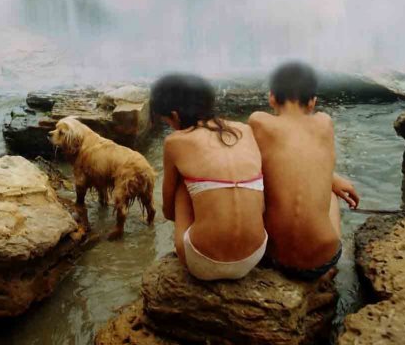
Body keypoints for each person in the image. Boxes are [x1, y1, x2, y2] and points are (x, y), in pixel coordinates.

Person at [248, 61, 360, 281]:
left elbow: (269, 164)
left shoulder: (258, 122)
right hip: (321, 262)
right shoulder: (324, 123)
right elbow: (314, 162)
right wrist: (332, 180)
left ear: (272, 98)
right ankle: (330, 270)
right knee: (329, 194)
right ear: (312, 102)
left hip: (272, 259)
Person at [150, 73, 267, 281]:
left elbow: (169, 213)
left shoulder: (175, 142)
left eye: (166, 120)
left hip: (203, 262)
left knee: (183, 182)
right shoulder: (245, 130)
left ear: (175, 115)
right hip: (254, 255)